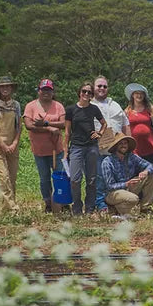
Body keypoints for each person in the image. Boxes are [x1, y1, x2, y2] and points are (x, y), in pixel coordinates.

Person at [23, 79, 66, 212]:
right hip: (39, 150)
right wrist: (49, 129)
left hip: (57, 149)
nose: (46, 92)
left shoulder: (58, 106)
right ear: (39, 91)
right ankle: (48, 203)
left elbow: (63, 124)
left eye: (49, 90)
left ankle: (61, 203)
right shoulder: (31, 106)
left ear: (52, 92)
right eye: (43, 90)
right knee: (44, 178)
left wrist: (45, 123)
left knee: (60, 176)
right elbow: (29, 125)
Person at [64, 82, 107, 215]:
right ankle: (77, 208)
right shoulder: (71, 109)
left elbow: (104, 123)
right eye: (84, 91)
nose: (86, 94)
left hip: (91, 146)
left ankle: (90, 208)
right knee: (75, 180)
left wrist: (99, 133)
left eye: (89, 92)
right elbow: (67, 132)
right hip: (76, 146)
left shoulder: (94, 109)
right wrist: (65, 151)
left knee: (92, 179)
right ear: (79, 92)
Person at [92, 76, 131, 212]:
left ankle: (114, 203)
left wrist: (129, 142)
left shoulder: (115, 105)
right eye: (99, 86)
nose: (102, 88)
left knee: (116, 177)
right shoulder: (89, 105)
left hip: (117, 150)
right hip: (98, 149)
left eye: (104, 86)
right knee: (99, 177)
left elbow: (125, 124)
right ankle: (100, 204)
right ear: (93, 88)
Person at [0, 76, 22, 212]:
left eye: (8, 86)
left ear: (11, 88)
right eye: (2, 87)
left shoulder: (16, 105)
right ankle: (13, 209)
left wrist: (14, 143)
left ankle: (6, 208)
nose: (5, 89)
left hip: (13, 145)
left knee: (12, 178)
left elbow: (19, 126)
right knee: (4, 176)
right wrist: (3, 144)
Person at [101, 132, 153, 218]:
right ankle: (118, 210)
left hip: (130, 188)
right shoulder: (107, 162)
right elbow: (109, 186)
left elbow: (152, 166)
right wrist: (126, 184)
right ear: (115, 146)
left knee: (150, 175)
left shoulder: (131, 156)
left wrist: (145, 171)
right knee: (133, 198)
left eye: (125, 143)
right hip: (113, 193)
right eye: (121, 143)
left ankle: (145, 208)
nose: (123, 145)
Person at [124, 83, 153, 163]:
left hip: (149, 144)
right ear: (132, 95)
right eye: (137, 93)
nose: (139, 96)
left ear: (144, 95)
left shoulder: (150, 109)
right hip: (135, 146)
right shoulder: (127, 111)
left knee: (152, 167)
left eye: (141, 94)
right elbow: (125, 127)